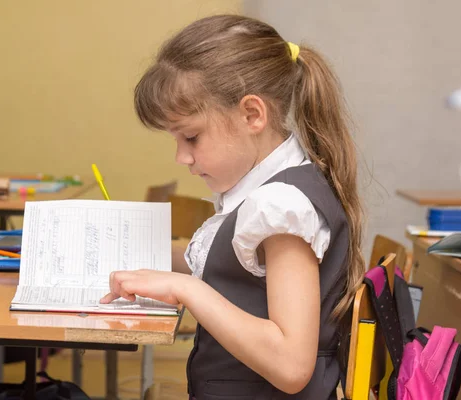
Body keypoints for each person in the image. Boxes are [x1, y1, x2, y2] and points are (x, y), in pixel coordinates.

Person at [100, 14, 364, 399]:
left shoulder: (279, 206)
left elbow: (291, 366)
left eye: (191, 137)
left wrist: (186, 288)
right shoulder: (264, 189)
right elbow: (234, 271)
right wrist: (146, 256)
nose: (181, 157)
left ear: (252, 115)